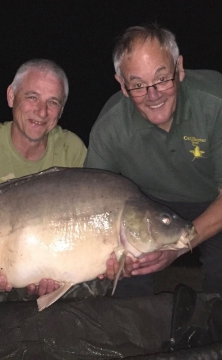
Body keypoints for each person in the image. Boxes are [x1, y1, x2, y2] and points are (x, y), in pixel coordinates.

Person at [0, 59, 108, 302]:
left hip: (50, 260)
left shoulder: (72, 151)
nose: (42, 111)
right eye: (32, 97)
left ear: (61, 110)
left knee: (96, 279)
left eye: (53, 102)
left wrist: (54, 273)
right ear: (11, 96)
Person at [85, 23, 222, 297]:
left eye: (162, 78)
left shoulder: (215, 102)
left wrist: (180, 246)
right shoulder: (109, 127)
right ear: (122, 86)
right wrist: (110, 257)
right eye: (137, 85)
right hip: (145, 207)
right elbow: (94, 206)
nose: (153, 94)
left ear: (179, 68)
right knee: (127, 270)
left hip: (213, 200)